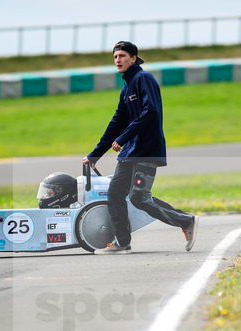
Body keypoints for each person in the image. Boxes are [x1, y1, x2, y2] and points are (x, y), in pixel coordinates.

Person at [83, 41, 198, 255]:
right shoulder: (126, 88)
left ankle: (186, 221)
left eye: (122, 56)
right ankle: (122, 242)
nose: (118, 60)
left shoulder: (143, 79)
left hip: (147, 149)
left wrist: (124, 137)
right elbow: (116, 122)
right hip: (130, 152)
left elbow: (151, 112)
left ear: (133, 58)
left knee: (138, 197)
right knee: (115, 194)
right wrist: (95, 154)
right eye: (115, 57)